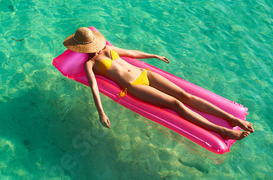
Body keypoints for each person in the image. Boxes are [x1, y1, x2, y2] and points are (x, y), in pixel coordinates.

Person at [63, 27, 254, 140]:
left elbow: (132, 53)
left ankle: (233, 119)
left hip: (145, 74)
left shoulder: (108, 47)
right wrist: (101, 113)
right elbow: (94, 87)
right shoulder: (90, 64)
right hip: (135, 87)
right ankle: (222, 131)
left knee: (185, 96)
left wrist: (154, 55)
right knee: (175, 104)